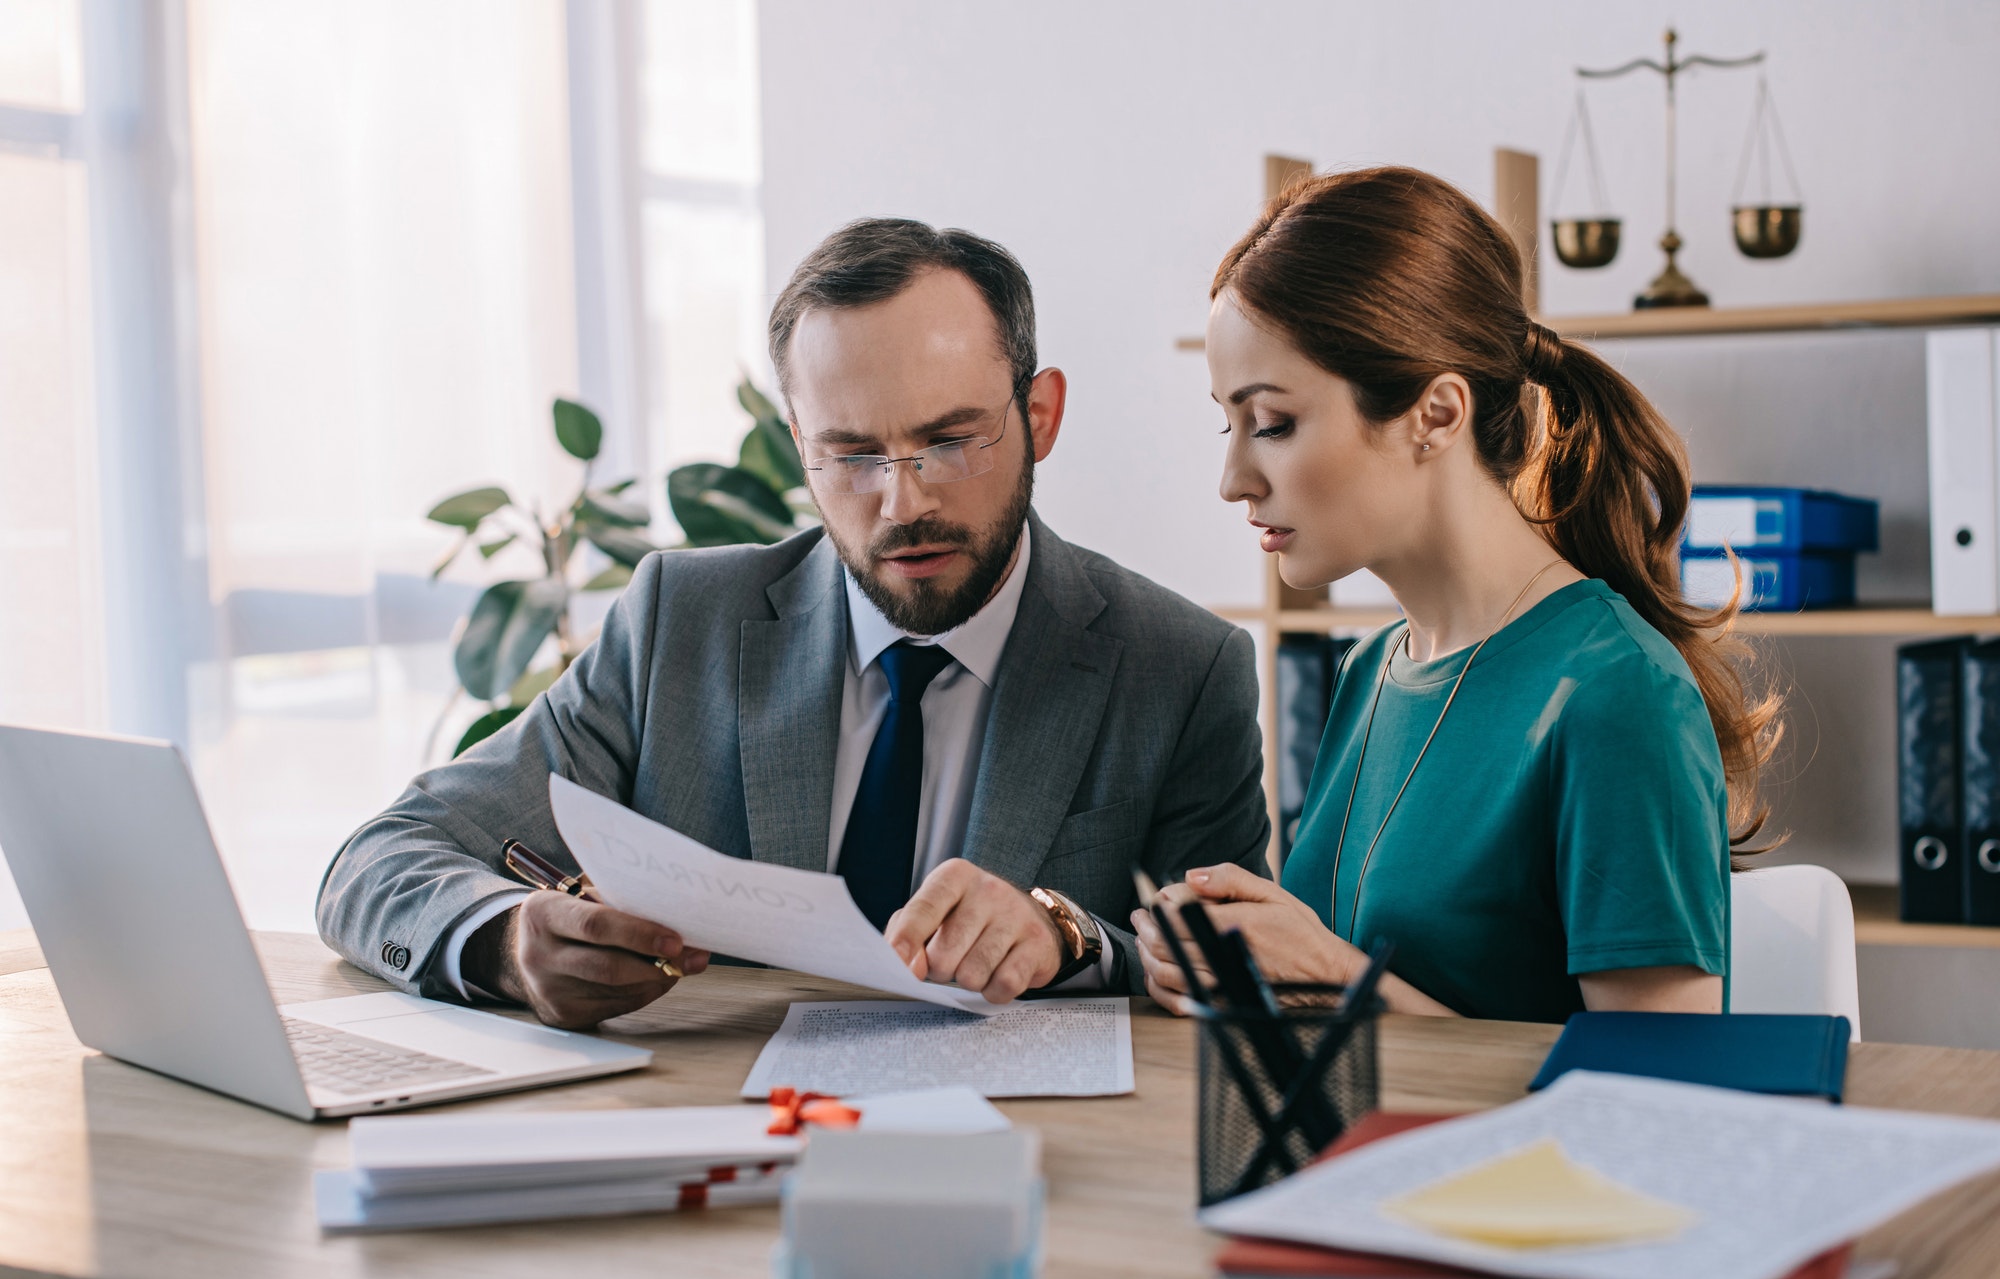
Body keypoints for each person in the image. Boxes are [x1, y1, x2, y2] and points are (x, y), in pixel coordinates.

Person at [318, 218, 1268, 1028]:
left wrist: (1073, 935)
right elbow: (378, 859)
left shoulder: (1178, 667)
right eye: (850, 454)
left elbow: (1242, 967)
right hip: (718, 1161)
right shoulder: (676, 626)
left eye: (948, 441)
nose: (902, 504)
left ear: (1040, 415)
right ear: (799, 444)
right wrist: (505, 942)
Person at [1133, 166, 1780, 1023]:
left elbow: (1656, 1094)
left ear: (1436, 415)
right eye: (1230, 423)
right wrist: (1240, 965)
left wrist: (1334, 982)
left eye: (1275, 424)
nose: (1233, 479)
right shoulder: (1372, 671)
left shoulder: (1617, 693)